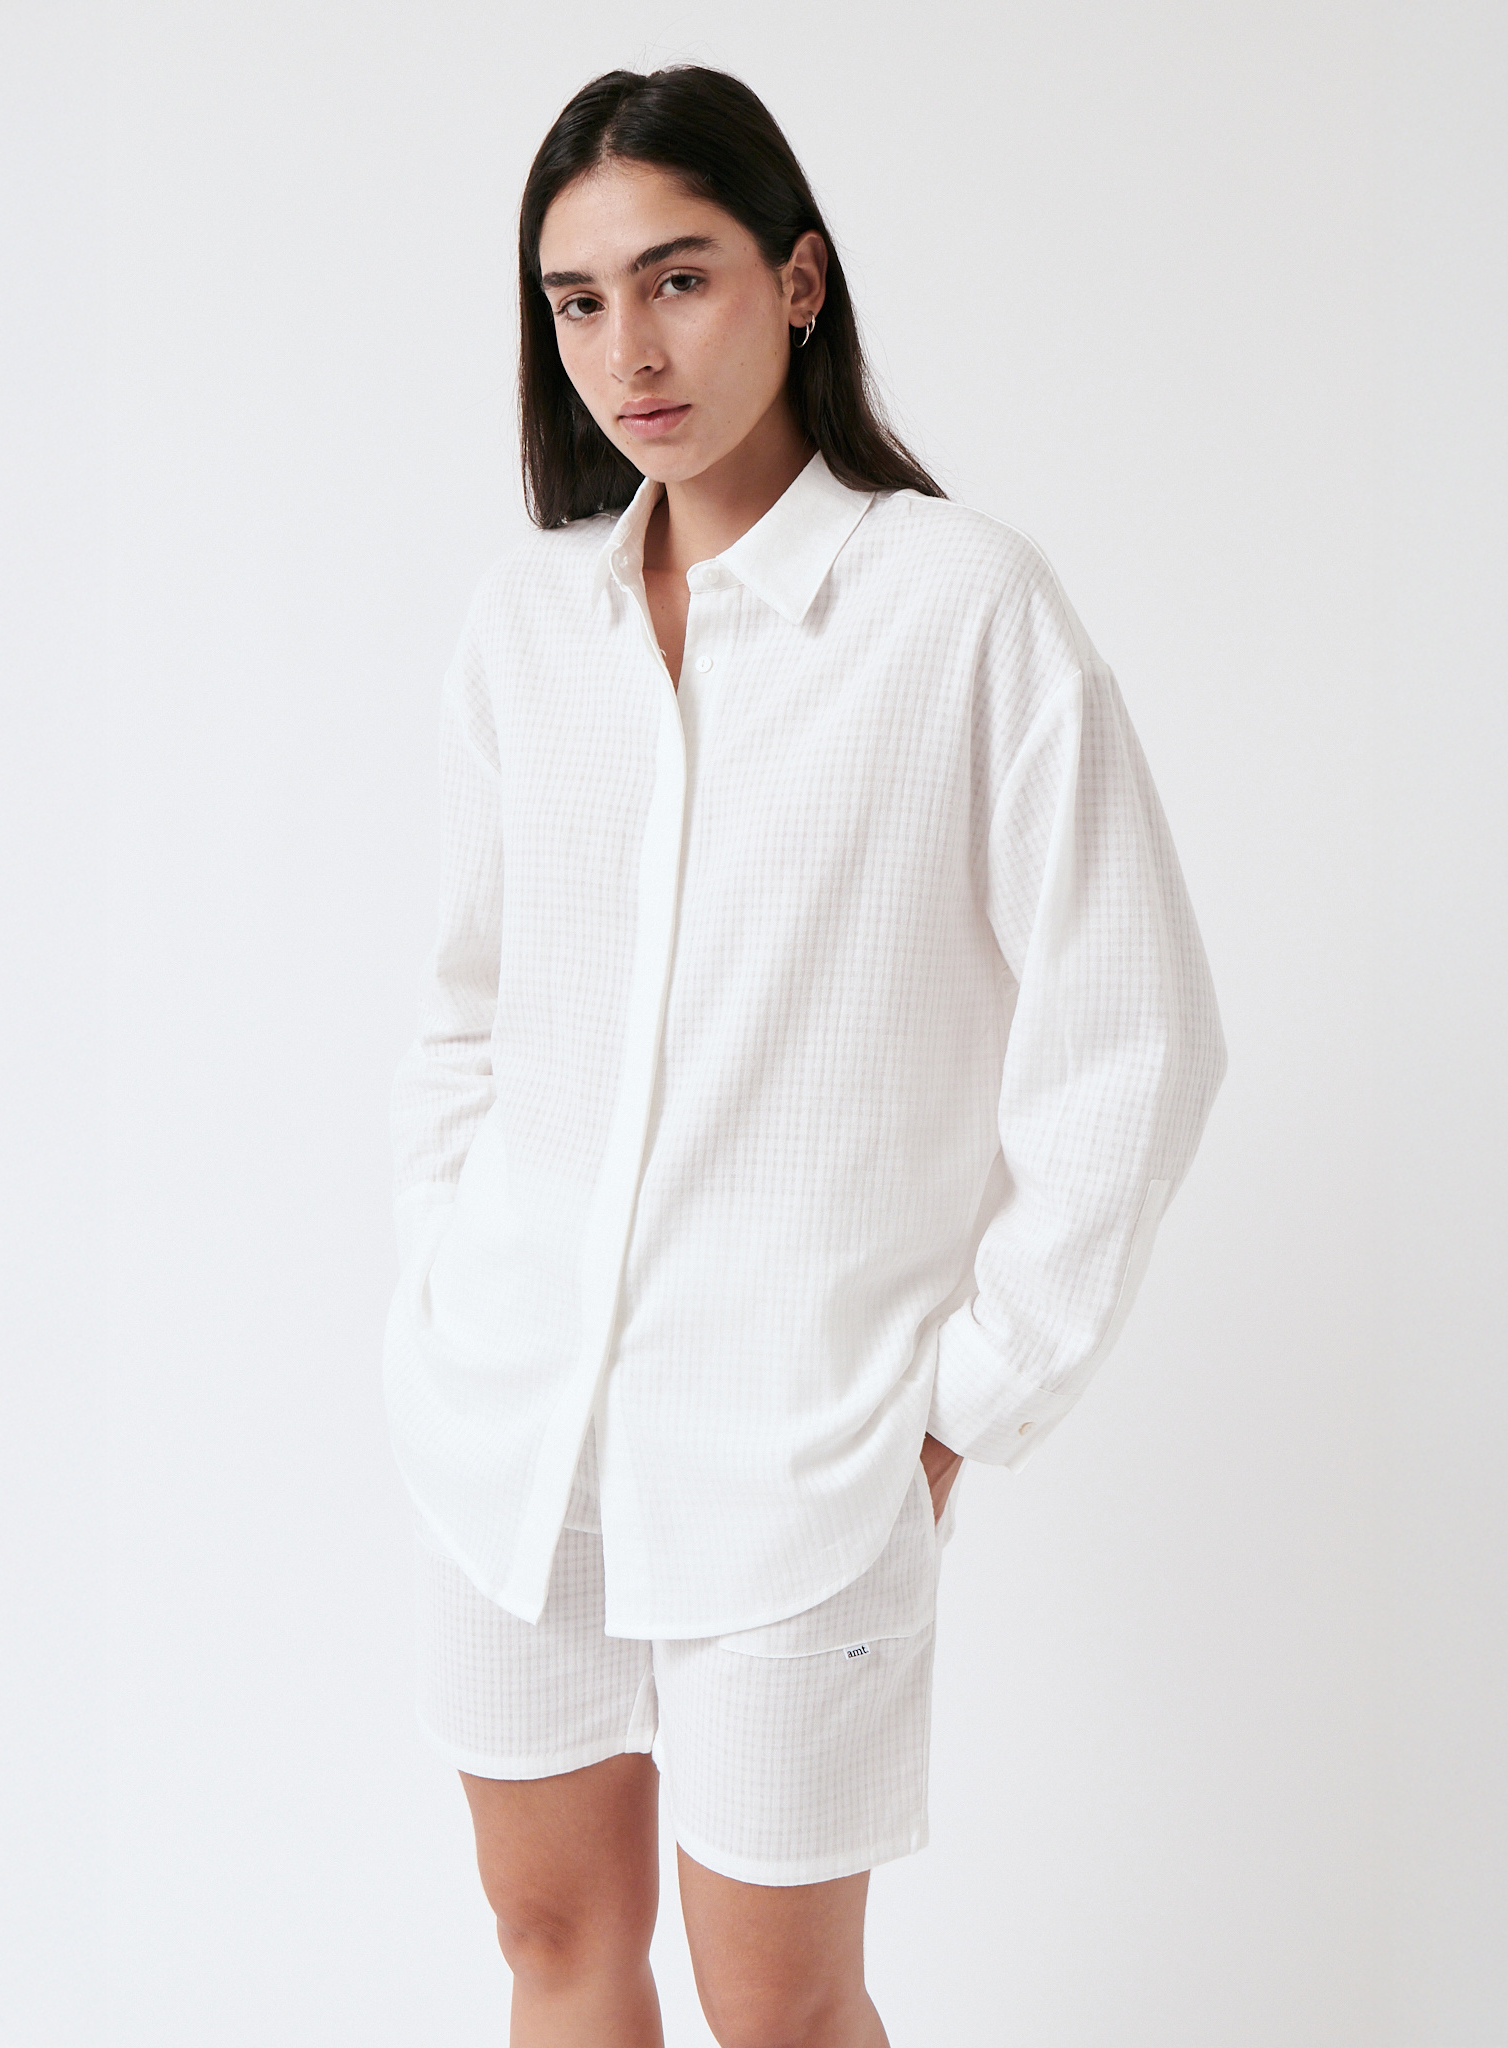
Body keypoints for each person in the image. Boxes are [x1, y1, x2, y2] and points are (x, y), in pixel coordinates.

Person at [384, 62, 1227, 2048]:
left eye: (677, 278)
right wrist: (445, 1284)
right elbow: (461, 1012)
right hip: (514, 1435)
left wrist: (970, 1398)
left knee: (781, 2007)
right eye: (578, 300)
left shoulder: (961, 609)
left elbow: (1137, 1038)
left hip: (800, 1449)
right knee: (550, 1942)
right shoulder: (530, 629)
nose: (628, 349)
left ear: (798, 280)